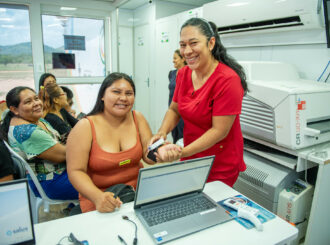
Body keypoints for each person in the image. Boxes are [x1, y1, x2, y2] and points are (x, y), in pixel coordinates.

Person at [151, 18, 248, 187]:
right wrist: (162, 132)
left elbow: (219, 131)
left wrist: (180, 151)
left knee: (210, 209)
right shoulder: (183, 74)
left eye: (193, 43)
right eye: (182, 45)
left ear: (211, 43)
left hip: (219, 162)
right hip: (192, 155)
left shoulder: (227, 80)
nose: (187, 51)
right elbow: (174, 110)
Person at [66, 72, 179, 213]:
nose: (123, 98)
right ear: (102, 95)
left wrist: (160, 152)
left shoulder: (137, 117)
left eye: (129, 93)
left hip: (137, 195)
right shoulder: (85, 126)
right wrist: (97, 197)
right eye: (116, 92)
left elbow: (147, 154)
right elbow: (76, 171)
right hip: (100, 199)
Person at [1, 86, 78, 200]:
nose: (36, 103)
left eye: (36, 98)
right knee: (105, 180)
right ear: (14, 109)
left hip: (59, 174)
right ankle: (81, 208)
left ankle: (79, 206)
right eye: (28, 102)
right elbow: (64, 155)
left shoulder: (36, 119)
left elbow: (58, 139)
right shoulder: (28, 132)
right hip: (52, 182)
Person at [168, 49, 185, 144]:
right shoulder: (172, 73)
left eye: (175, 58)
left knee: (182, 137)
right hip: (172, 108)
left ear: (183, 59)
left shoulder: (190, 73)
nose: (173, 60)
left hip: (183, 111)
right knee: (174, 134)